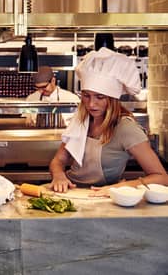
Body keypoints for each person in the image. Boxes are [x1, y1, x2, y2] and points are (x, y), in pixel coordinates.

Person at [49, 47, 168, 195]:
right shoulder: (82, 120)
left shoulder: (126, 129)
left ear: (112, 99)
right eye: (86, 95)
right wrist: (59, 176)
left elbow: (162, 177)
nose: (91, 104)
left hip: (103, 197)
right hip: (71, 192)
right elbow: (58, 160)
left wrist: (118, 188)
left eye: (100, 97)